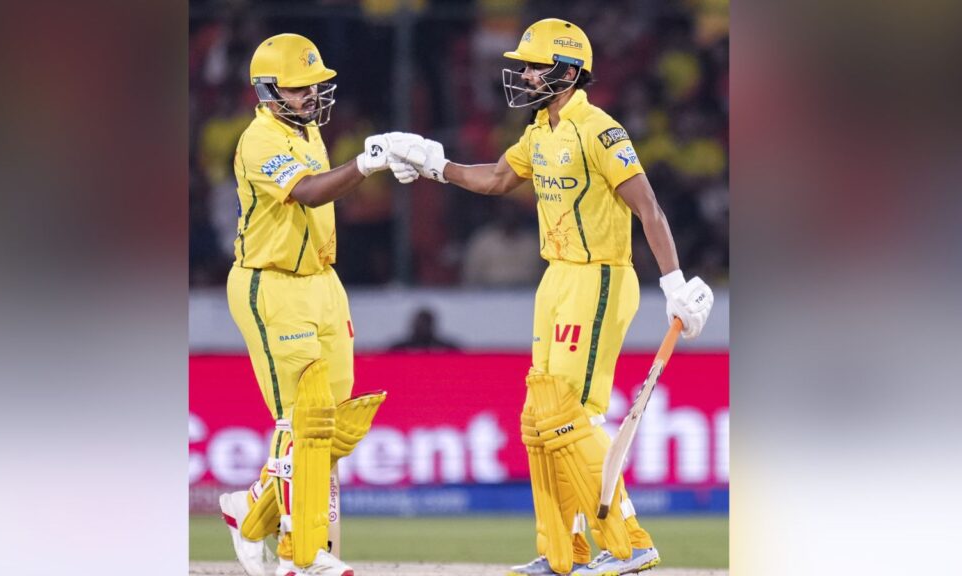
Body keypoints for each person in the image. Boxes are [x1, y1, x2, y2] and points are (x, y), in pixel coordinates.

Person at [387, 19, 714, 576]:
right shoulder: (540, 129)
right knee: (540, 418)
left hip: (599, 277)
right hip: (557, 278)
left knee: (570, 416)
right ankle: (565, 553)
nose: (523, 76)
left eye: (535, 67)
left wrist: (674, 283)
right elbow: (496, 179)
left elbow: (648, 207)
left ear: (567, 72)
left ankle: (630, 542)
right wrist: (433, 165)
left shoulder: (599, 129)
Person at [218, 33, 422, 576]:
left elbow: (323, 190)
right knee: (298, 419)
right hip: (272, 284)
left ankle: (250, 509)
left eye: (314, 84)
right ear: (268, 91)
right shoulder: (258, 140)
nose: (311, 94)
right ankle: (299, 554)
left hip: (322, 282)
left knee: (331, 426)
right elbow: (307, 191)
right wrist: (368, 164)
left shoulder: (306, 130)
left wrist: (375, 165)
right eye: (298, 87)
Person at [388, 307, 460, 351]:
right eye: (419, 323)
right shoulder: (398, 349)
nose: (422, 327)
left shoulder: (446, 349)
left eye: (426, 323)